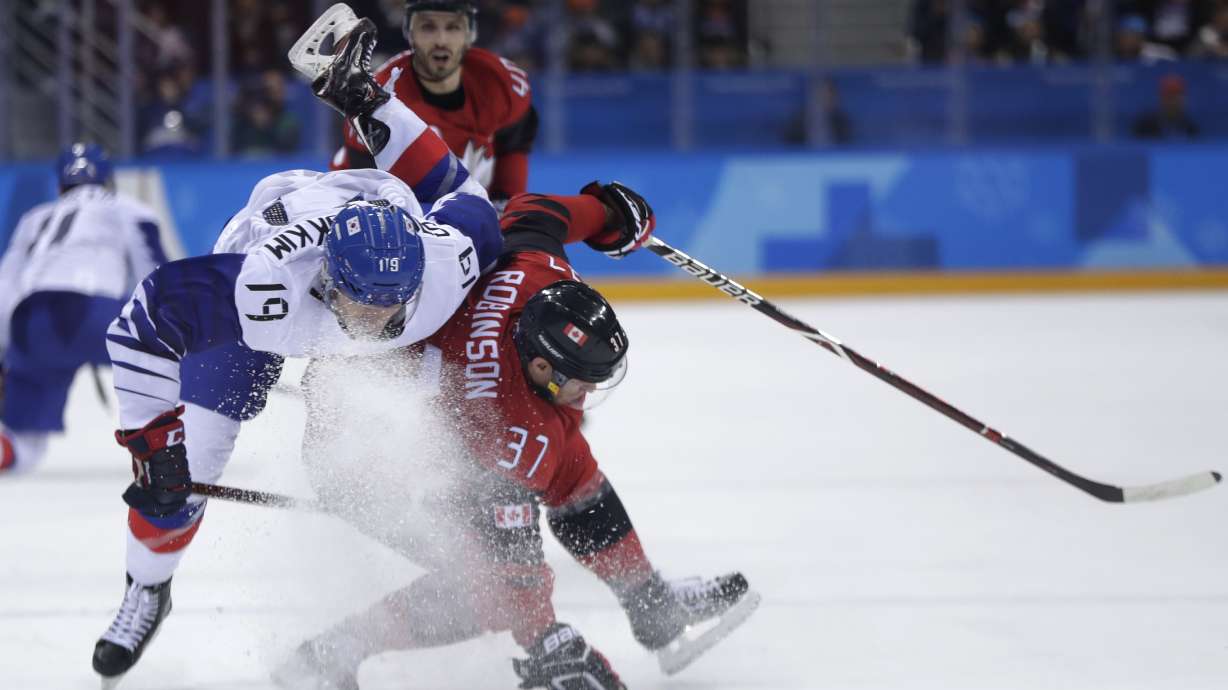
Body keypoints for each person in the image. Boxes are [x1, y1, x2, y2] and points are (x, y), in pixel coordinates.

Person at [91, 22, 502, 688]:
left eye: (390, 306)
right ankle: (147, 585)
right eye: (360, 303)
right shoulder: (261, 291)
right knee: (189, 466)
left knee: (443, 385)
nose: (374, 321)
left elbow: (457, 185)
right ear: (325, 278)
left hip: (371, 205)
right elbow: (141, 322)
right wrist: (152, 443)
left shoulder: (446, 261)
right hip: (265, 255)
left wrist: (369, 101)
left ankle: (483, 512)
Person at [276, 181, 759, 689]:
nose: (587, 393)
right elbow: (517, 567)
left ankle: (649, 604)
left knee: (570, 466)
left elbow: (536, 211)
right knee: (482, 584)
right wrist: (546, 640)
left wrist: (604, 213)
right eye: (579, 382)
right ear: (540, 364)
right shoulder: (511, 428)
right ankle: (328, 655)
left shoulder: (532, 268)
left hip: (384, 387)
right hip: (363, 455)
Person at [0, 144, 166, 474]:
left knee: (23, 437)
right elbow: (157, 277)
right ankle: (171, 451)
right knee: (174, 364)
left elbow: (6, 286)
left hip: (31, 322)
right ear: (108, 181)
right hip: (95, 313)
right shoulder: (131, 210)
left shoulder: (34, 218)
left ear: (60, 185)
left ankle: (11, 446)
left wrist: (6, 355)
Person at [331, 1, 538, 210]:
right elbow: (366, 198)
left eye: (453, 27)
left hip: (465, 204)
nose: (441, 41)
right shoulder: (375, 98)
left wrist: (505, 209)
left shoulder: (502, 83)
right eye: (428, 27)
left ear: (470, 34)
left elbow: (514, 147)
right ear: (409, 33)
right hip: (387, 209)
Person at [1133, 73, 1200, 140]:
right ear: (1161, 99)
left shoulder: (1191, 129)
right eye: (1169, 97)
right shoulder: (1144, 127)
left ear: (1184, 100)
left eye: (1176, 97)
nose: (1173, 102)